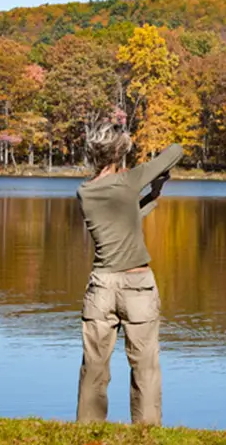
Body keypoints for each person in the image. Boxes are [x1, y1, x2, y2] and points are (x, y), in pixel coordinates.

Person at [76, 122, 183, 425]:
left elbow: (126, 216)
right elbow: (175, 152)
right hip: (137, 286)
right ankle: (146, 434)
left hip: (101, 287)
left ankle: (88, 433)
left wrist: (154, 193)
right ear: (119, 153)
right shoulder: (128, 180)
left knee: (94, 368)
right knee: (145, 366)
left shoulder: (84, 192)